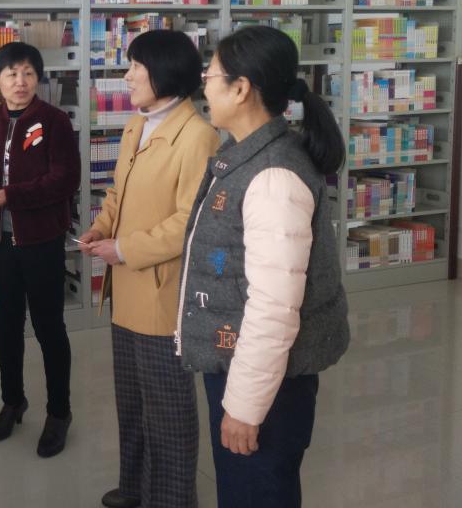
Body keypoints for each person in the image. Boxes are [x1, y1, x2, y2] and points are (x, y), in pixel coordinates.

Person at [177, 26, 350, 508]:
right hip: (241, 363)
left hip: (264, 381)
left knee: (256, 492)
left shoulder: (273, 175)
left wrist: (245, 407)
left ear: (241, 88)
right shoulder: (245, 154)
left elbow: (274, 308)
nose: (204, 88)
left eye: (210, 77)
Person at [80, 30, 219, 508]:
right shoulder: (136, 125)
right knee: (133, 401)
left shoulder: (198, 136)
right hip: (125, 289)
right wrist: (100, 228)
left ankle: (173, 499)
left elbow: (189, 222)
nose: (127, 77)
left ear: (164, 71)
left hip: (163, 295)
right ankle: (136, 486)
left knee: (168, 410)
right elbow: (118, 193)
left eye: (135, 67)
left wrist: (124, 250)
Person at [0, 41, 80, 458]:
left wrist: (13, 196)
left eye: (28, 73)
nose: (20, 81)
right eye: (11, 74)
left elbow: (65, 180)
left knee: (49, 327)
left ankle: (59, 412)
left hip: (41, 239)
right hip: (0, 240)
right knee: (7, 325)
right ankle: (12, 401)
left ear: (38, 78)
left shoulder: (55, 121)